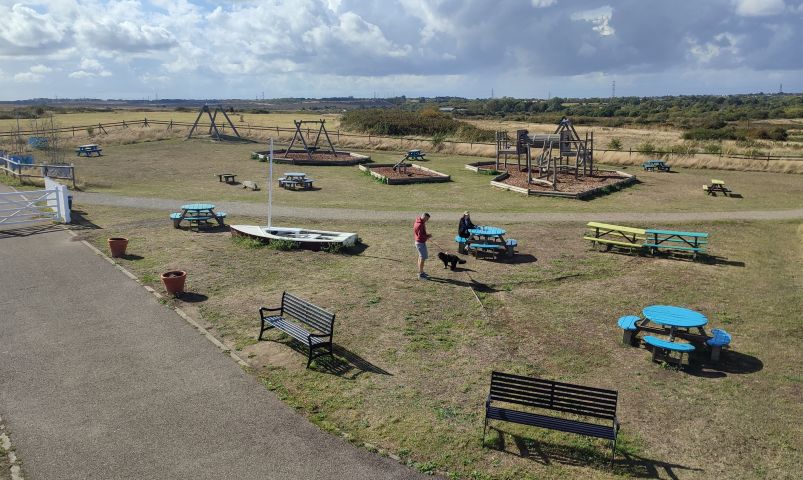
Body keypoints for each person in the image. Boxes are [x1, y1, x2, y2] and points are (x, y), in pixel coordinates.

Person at [413, 213, 432, 280]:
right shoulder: (420, 224)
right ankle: (421, 275)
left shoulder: (419, 221)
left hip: (419, 242)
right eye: (426, 219)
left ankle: (420, 271)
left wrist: (426, 235)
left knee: (420, 257)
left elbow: (421, 233)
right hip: (420, 243)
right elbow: (420, 236)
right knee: (422, 258)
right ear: (424, 217)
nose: (427, 220)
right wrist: (427, 236)